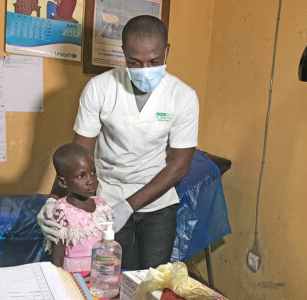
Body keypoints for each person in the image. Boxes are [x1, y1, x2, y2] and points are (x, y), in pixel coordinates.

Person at [38, 15, 199, 270]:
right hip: (107, 201)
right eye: (135, 63)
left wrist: (130, 206)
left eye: (154, 62)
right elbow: (78, 153)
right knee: (109, 278)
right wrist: (53, 200)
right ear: (123, 53)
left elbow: (179, 166)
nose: (145, 70)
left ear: (167, 51)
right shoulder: (100, 89)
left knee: (151, 282)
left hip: (157, 202)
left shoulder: (183, 97)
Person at [47, 143, 113, 276]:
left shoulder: (101, 205)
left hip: (100, 274)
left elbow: (108, 244)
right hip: (74, 274)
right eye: (81, 176)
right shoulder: (62, 210)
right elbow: (58, 250)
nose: (91, 181)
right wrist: (58, 279)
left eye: (93, 172)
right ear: (63, 182)